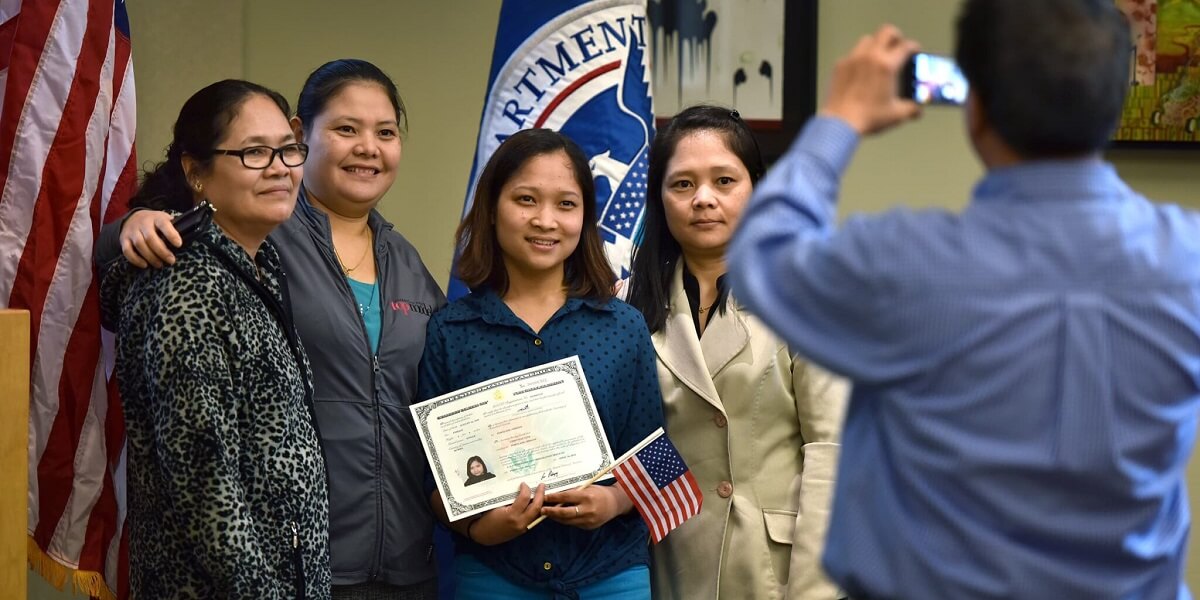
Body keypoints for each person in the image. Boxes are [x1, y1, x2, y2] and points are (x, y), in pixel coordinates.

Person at [727, 2, 1198, 598]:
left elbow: (762, 254)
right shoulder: (1189, 263)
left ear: (974, 108)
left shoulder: (904, 264)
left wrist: (840, 119)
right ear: (1116, 103)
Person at [98, 59, 445, 599]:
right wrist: (134, 224)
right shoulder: (233, 250)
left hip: (395, 560)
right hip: (274, 571)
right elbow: (203, 483)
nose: (368, 147)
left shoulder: (404, 261)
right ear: (306, 135)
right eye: (347, 128)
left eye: (386, 132)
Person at [98, 79, 330, 598]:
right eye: (253, 152)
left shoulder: (257, 265)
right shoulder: (185, 283)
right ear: (195, 172)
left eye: (288, 150)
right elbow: (204, 482)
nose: (279, 167)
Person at [417, 128, 664, 599]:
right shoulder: (452, 330)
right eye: (526, 199)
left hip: (609, 573)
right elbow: (432, 475)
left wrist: (613, 500)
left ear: (586, 217)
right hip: (496, 574)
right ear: (491, 210)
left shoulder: (622, 326)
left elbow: (655, 454)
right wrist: (479, 529)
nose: (545, 220)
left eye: (566, 205)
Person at [625, 105, 847, 599]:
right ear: (659, 198)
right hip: (663, 564)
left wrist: (814, 591)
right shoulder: (626, 304)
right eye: (682, 184)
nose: (703, 198)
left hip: (773, 571)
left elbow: (833, 455)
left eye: (724, 180)